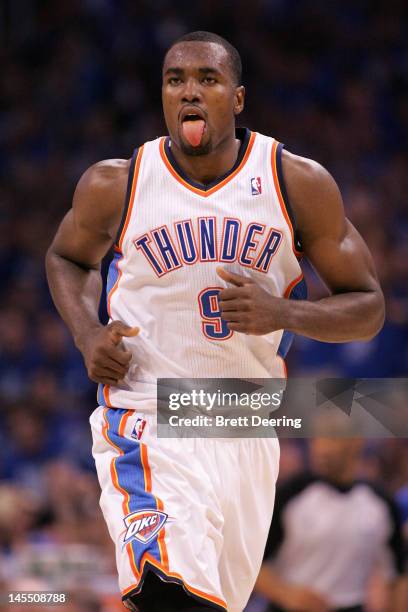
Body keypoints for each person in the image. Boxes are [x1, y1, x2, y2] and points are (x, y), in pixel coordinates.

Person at [46, 31, 385, 612]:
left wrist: (284, 313)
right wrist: (86, 334)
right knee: (170, 594)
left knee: (212, 602)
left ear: (238, 97)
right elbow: (67, 257)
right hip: (148, 413)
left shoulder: (295, 183)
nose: (189, 93)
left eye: (207, 79)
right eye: (176, 80)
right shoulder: (119, 182)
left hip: (244, 423)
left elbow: (368, 306)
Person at [255, 437, 407, 612]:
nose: (322, 448)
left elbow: (398, 574)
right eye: (317, 438)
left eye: (333, 438)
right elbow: (251, 562)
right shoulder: (289, 495)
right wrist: (286, 594)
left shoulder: (381, 503)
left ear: (356, 441)